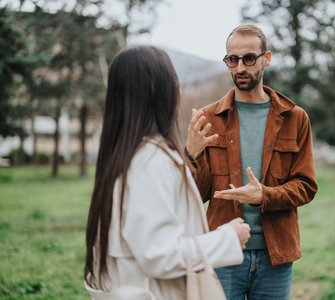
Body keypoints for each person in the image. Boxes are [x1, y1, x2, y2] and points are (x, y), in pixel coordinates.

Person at [83, 45, 250, 300]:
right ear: (160, 93)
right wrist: (228, 238)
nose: (179, 90)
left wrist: (191, 154)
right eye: (174, 81)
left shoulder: (125, 156)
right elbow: (159, 254)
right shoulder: (149, 163)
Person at [185, 24, 318, 299]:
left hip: (275, 255)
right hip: (222, 250)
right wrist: (192, 154)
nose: (240, 67)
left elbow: (306, 186)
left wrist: (264, 196)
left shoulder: (295, 118)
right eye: (232, 60)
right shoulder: (209, 118)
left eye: (249, 58)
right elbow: (195, 195)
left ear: (265, 59)